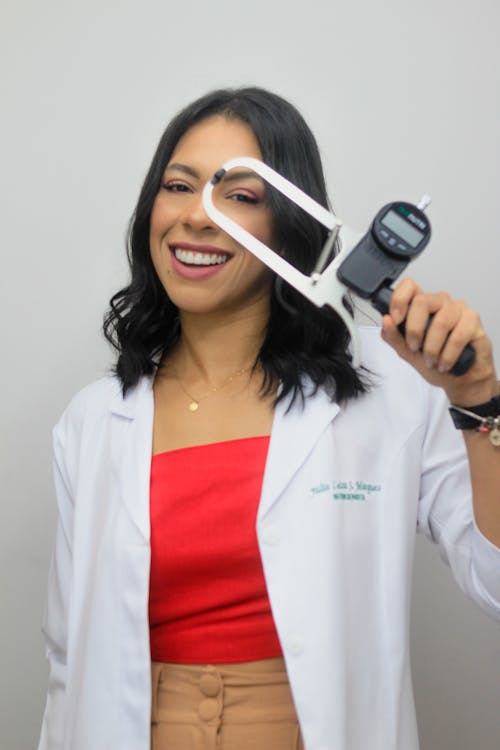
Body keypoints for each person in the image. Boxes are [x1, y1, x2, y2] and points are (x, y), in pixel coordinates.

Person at [38, 87, 500, 750]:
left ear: (293, 223)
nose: (198, 218)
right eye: (178, 186)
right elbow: (66, 657)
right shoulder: (92, 421)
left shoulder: (393, 391)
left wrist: (479, 398)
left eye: (240, 196)